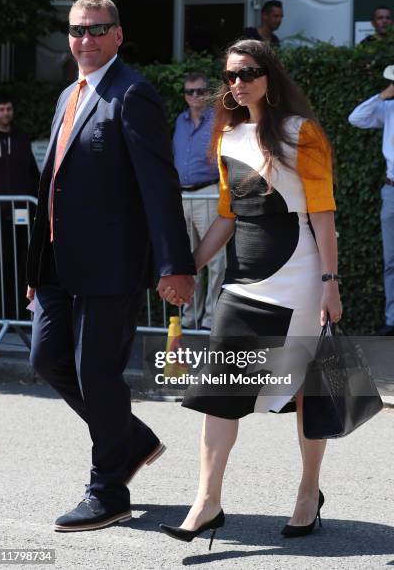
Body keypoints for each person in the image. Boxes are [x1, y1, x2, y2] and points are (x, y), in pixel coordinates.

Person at [159, 39, 342, 547]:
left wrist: (331, 284)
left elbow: (323, 215)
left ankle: (308, 493)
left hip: (301, 279)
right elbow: (226, 217)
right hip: (242, 281)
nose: (237, 83)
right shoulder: (225, 135)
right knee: (220, 389)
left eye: (248, 73)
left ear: (270, 76)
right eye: (231, 75)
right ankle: (207, 502)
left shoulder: (302, 134)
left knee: (306, 392)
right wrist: (189, 268)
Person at [26, 0, 195, 532]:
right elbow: (51, 185)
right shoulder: (68, 96)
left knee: (95, 373)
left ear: (118, 35)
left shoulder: (133, 93)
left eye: (98, 30)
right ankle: (134, 440)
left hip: (113, 264)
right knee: (46, 360)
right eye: (78, 30)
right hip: (57, 262)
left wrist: (175, 263)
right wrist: (34, 272)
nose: (86, 39)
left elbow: (158, 185)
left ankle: (108, 488)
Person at [173, 73, 225, 329]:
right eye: (190, 92)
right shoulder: (180, 121)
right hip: (183, 195)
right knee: (187, 259)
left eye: (200, 91)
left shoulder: (217, 120)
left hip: (209, 192)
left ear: (208, 93)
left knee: (215, 260)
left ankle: (211, 317)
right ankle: (190, 315)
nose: (195, 96)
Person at [348, 65, 394, 335]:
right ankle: (392, 320)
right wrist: (384, 94)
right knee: (391, 260)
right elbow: (356, 118)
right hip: (391, 190)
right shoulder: (387, 109)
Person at [0, 95, 39, 319]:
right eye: (1, 109)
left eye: (8, 108)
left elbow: (32, 173)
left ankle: (18, 314)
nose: (6, 113)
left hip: (20, 213)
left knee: (20, 263)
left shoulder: (21, 138)